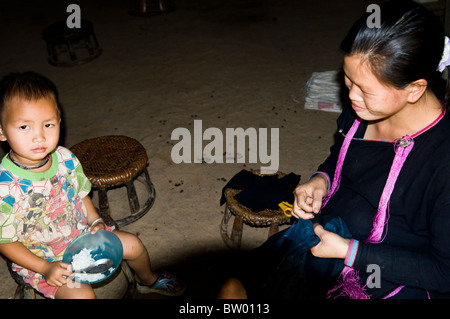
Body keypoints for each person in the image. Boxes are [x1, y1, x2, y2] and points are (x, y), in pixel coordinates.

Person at [218, 0, 450, 299]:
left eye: (365, 90)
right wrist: (321, 180)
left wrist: (350, 252)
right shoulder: (364, 111)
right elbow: (341, 156)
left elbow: (443, 273)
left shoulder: (442, 163)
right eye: (348, 79)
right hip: (331, 233)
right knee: (232, 288)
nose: (351, 95)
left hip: (385, 272)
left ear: (415, 89)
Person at [0, 71, 186, 299]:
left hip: (82, 234)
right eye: (24, 127)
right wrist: (44, 268)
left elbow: (79, 195)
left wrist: (95, 220)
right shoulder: (5, 187)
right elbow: (6, 242)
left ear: (60, 122)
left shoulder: (65, 159)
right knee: (83, 296)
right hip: (42, 258)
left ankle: (145, 279)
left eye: (48, 124)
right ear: (1, 131)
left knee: (134, 245)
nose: (39, 136)